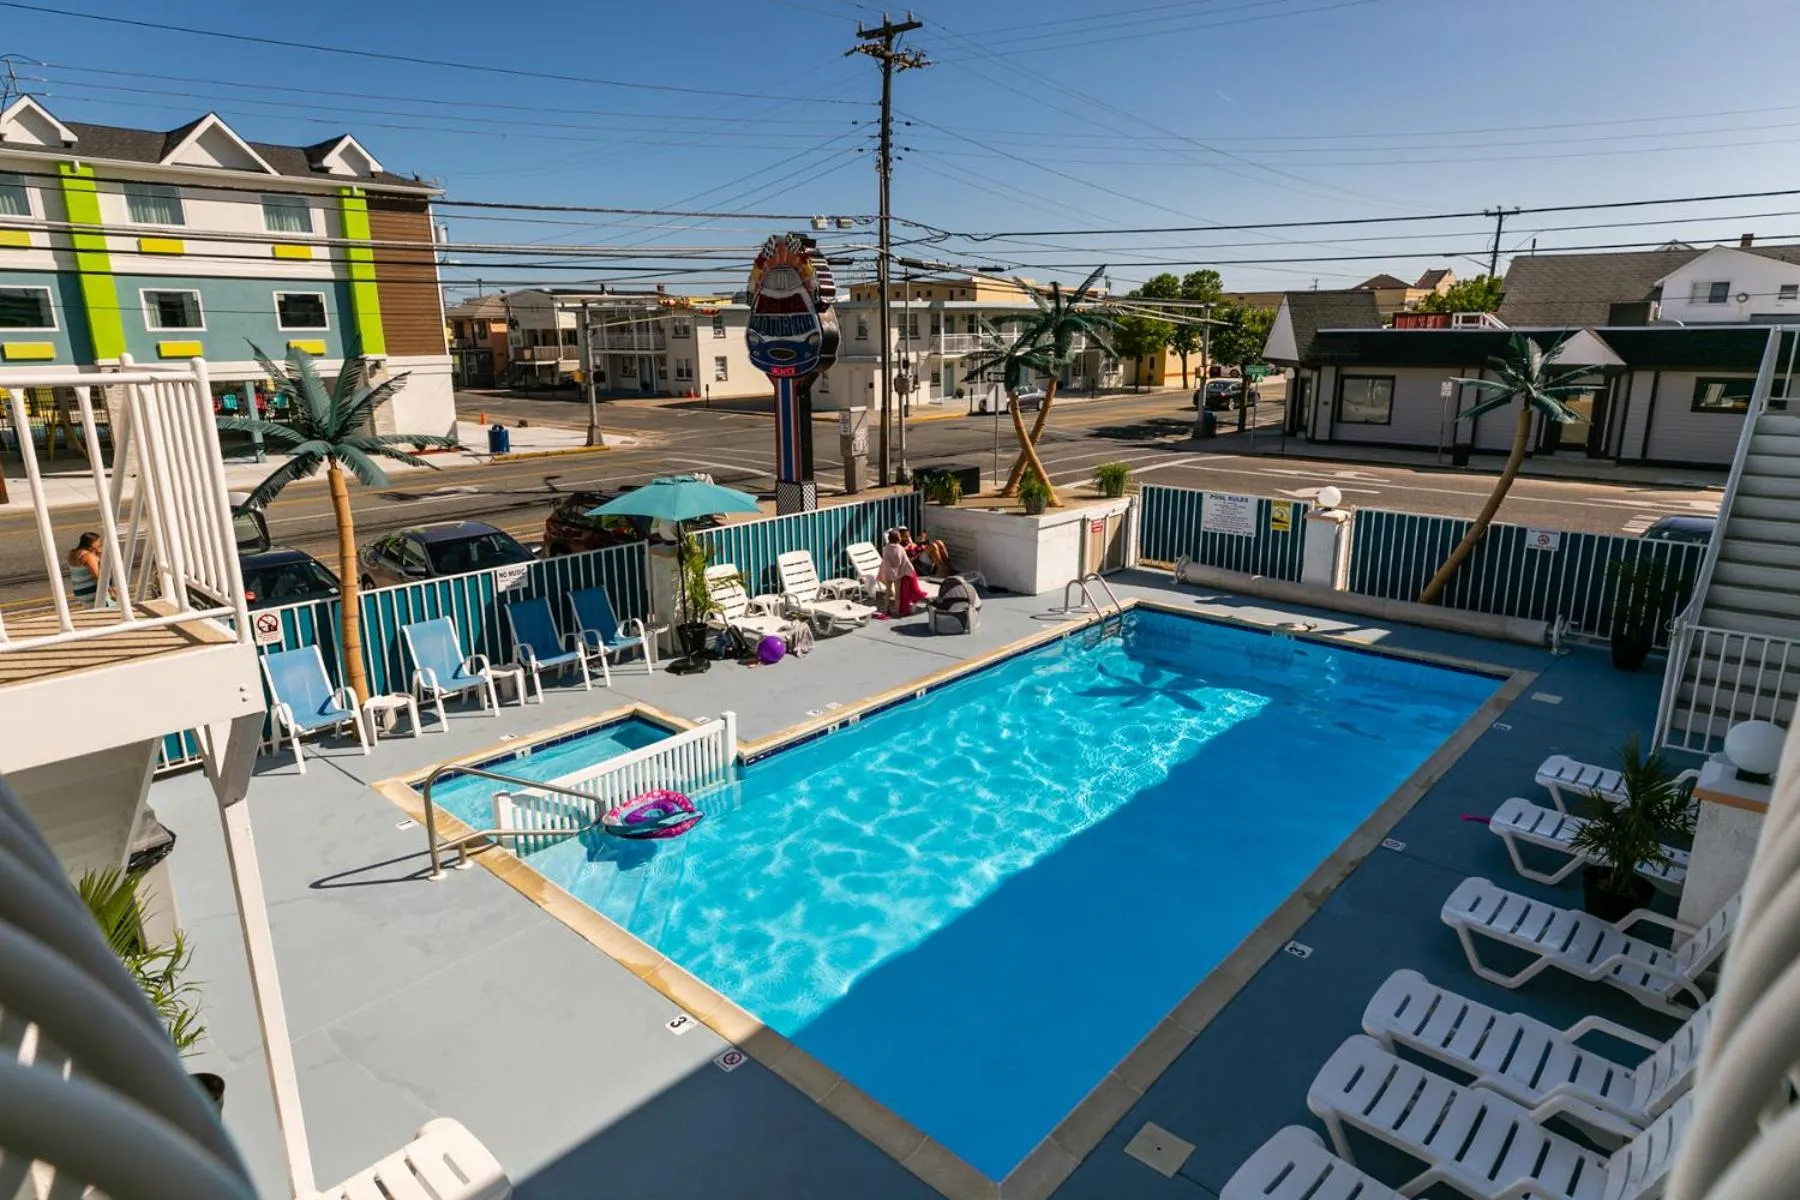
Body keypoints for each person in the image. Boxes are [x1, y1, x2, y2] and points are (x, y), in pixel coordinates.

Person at [875, 529, 914, 619]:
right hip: (898, 573)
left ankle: (886, 609)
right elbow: (905, 560)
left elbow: (884, 561)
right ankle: (896, 611)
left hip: (889, 572)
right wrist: (911, 569)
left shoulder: (886, 549)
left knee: (888, 592)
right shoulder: (900, 548)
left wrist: (883, 571)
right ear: (898, 538)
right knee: (897, 593)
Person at [67, 531, 102, 602]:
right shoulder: (89, 556)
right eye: (98, 542)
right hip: (91, 591)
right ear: (91, 543)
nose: (100, 544)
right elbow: (97, 576)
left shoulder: (72, 554)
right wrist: (111, 592)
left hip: (79, 591)